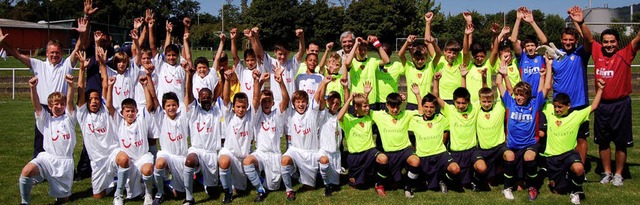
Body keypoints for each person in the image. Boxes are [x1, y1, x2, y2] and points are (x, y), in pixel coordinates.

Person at [0, 18, 86, 159]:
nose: (54, 55)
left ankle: (65, 168)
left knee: (62, 140)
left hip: (61, 108)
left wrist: (82, 34)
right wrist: (3, 43)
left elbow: (77, 48)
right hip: (43, 109)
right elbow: (16, 54)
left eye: (57, 52)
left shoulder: (66, 65)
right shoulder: (38, 64)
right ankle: (39, 171)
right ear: (46, 53)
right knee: (40, 142)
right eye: (51, 52)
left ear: (61, 53)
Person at [576, 7, 639, 186]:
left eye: (612, 41)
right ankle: (607, 172)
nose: (609, 44)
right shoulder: (597, 52)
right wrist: (581, 22)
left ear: (617, 43)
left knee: (621, 143)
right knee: (603, 142)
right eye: (605, 41)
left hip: (621, 105)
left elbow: (637, 40)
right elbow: (588, 38)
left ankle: (618, 174)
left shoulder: (625, 54)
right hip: (602, 105)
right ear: (601, 43)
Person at [103, 45, 158, 204]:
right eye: (127, 111)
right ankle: (118, 194)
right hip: (128, 159)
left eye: (132, 111)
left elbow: (148, 105)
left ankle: (148, 194)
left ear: (136, 111)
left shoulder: (140, 117)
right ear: (123, 112)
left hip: (141, 157)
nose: (130, 114)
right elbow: (109, 106)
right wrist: (111, 86)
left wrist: (144, 85)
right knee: (122, 158)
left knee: (148, 169)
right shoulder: (119, 119)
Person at [496, 53, 552, 201]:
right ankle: (507, 187)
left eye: (523, 95)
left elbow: (546, 87)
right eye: (518, 94)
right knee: (509, 156)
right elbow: (498, 84)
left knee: (529, 157)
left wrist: (547, 68)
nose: (519, 97)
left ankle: (533, 187)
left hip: (529, 144)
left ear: (528, 96)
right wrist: (502, 67)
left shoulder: (534, 104)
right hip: (512, 144)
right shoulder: (510, 102)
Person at [74, 51, 127, 203]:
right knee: (98, 196)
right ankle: (115, 183)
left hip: (112, 153)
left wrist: (102, 64)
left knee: (123, 159)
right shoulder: (83, 115)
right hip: (97, 162)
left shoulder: (105, 109)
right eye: (91, 99)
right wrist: (82, 69)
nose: (94, 101)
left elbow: (104, 83)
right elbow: (80, 89)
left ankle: (118, 194)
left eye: (97, 99)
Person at [542, 79, 604, 205]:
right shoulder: (550, 112)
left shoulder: (576, 115)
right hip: (552, 157)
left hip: (569, 154)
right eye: (555, 106)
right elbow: (543, 95)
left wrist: (601, 89)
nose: (557, 109)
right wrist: (545, 75)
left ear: (568, 106)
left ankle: (575, 192)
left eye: (560, 107)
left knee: (579, 168)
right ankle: (564, 179)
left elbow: (594, 106)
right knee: (557, 190)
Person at [19, 74, 76, 205]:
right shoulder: (45, 120)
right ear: (50, 106)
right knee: (26, 171)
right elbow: (37, 106)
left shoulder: (69, 119)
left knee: (63, 200)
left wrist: (70, 85)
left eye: (62, 104)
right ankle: (25, 202)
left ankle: (60, 193)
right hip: (47, 158)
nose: (60, 106)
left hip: (65, 163)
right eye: (56, 104)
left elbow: (70, 102)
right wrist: (33, 88)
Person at [432, 71, 487, 191]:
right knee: (455, 173)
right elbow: (436, 96)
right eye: (458, 102)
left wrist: (483, 79)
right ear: (454, 102)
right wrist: (436, 80)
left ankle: (475, 181)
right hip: (456, 152)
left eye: (464, 103)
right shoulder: (450, 110)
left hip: (472, 150)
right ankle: (444, 180)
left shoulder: (473, 108)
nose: (461, 105)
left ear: (468, 102)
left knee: (482, 168)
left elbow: (485, 94)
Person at [552, 6, 591, 167]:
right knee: (561, 136)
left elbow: (589, 40)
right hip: (560, 105)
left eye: (571, 40)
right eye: (565, 39)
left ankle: (579, 168)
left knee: (581, 138)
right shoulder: (555, 55)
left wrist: (579, 23)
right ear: (561, 40)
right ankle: (562, 167)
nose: (568, 42)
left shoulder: (581, 53)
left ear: (575, 41)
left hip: (579, 104)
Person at [242, 68, 289, 202]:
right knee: (247, 162)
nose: (266, 103)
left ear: (273, 102)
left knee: (274, 186)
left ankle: (265, 179)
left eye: (269, 101)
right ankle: (260, 190)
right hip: (261, 153)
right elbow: (255, 98)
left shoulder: (277, 115)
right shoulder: (256, 116)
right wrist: (258, 82)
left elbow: (285, 99)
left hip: (275, 154)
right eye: (264, 101)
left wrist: (281, 83)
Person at [336, 82, 388, 196]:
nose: (368, 108)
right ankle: (356, 177)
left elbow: (363, 103)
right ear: (356, 107)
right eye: (365, 106)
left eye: (368, 105)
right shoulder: (348, 120)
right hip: (355, 156)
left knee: (383, 159)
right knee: (357, 184)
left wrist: (366, 94)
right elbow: (339, 117)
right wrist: (349, 99)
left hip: (370, 151)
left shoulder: (368, 118)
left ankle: (379, 185)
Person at [150, 63, 192, 204]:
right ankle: (160, 193)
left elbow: (187, 95)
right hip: (166, 155)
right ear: (164, 107)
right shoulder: (161, 117)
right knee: (159, 163)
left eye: (174, 105)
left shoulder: (183, 116)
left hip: (181, 157)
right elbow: (155, 99)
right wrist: (149, 77)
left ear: (178, 105)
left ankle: (169, 185)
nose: (171, 108)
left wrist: (188, 75)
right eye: (168, 105)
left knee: (177, 195)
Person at [280, 87, 331, 201]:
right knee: (284, 160)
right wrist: (280, 82)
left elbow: (318, 96)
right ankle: (289, 191)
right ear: (293, 104)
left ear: (307, 102)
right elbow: (285, 98)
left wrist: (324, 83)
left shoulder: (312, 112)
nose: (301, 104)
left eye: (303, 101)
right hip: (296, 151)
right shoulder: (291, 113)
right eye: (298, 102)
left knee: (311, 185)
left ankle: (327, 185)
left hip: (312, 152)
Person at [370, 87, 421, 198]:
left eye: (397, 106)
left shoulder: (405, 114)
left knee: (415, 161)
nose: (395, 109)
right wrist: (366, 93)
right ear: (387, 105)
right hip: (390, 153)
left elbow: (421, 111)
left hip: (405, 150)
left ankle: (408, 187)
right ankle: (378, 184)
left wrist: (417, 94)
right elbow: (365, 110)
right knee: (392, 181)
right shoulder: (379, 116)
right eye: (392, 106)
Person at [183, 68, 224, 204]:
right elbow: (188, 93)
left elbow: (219, 93)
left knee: (213, 193)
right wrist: (189, 76)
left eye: (208, 97)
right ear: (199, 99)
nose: (206, 100)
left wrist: (222, 78)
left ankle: (200, 179)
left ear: (212, 98)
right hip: (197, 150)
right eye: (203, 98)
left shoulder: (217, 111)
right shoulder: (194, 112)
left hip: (211, 153)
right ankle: (189, 198)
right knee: (189, 161)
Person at [409, 92, 460, 193]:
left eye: (431, 107)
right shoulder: (415, 119)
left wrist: (442, 143)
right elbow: (410, 136)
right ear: (422, 107)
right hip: (422, 155)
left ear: (435, 107)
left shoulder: (441, 118)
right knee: (422, 182)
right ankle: (426, 180)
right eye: (426, 106)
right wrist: (415, 149)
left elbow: (446, 131)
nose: (429, 109)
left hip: (440, 153)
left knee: (455, 169)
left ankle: (443, 181)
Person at [218, 69, 254, 204]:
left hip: (243, 155)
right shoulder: (229, 116)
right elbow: (226, 99)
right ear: (233, 107)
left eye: (243, 107)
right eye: (238, 106)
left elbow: (255, 99)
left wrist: (257, 82)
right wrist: (226, 80)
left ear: (247, 107)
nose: (240, 109)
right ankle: (227, 192)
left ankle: (243, 180)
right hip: (230, 152)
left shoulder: (250, 116)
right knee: (223, 161)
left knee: (242, 189)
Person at [254, 27, 305, 104]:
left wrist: (301, 38)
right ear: (275, 52)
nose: (283, 57)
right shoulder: (271, 63)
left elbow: (301, 52)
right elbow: (260, 52)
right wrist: (256, 37)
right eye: (280, 54)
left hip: (291, 104)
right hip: (276, 104)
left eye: (285, 54)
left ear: (289, 53)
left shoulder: (292, 64)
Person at [509, 6, 548, 97]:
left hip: (539, 97)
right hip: (525, 98)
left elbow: (544, 40)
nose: (530, 48)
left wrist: (532, 22)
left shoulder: (540, 56)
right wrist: (518, 19)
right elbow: (513, 40)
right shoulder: (522, 57)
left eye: (532, 45)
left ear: (536, 46)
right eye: (528, 46)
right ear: (524, 48)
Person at [316, 76, 345, 196]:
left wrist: (346, 87)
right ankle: (326, 185)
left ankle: (328, 180)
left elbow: (347, 103)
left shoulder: (340, 116)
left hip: (336, 153)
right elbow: (321, 98)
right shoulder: (324, 113)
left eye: (337, 103)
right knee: (324, 161)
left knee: (337, 184)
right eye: (332, 102)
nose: (334, 105)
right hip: (324, 151)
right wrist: (325, 84)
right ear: (328, 102)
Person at [432, 12, 469, 103]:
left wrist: (467, 32)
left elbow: (466, 50)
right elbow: (428, 42)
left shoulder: (459, 60)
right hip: (443, 99)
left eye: (454, 53)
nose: (452, 55)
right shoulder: (439, 60)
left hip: (457, 99)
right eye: (449, 52)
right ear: (444, 52)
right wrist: (428, 23)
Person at [344, 35, 390, 106]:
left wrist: (377, 44)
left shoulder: (372, 61)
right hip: (356, 101)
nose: (362, 52)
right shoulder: (352, 62)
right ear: (355, 51)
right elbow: (346, 63)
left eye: (365, 50)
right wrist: (356, 44)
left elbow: (386, 61)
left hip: (371, 101)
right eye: (360, 50)